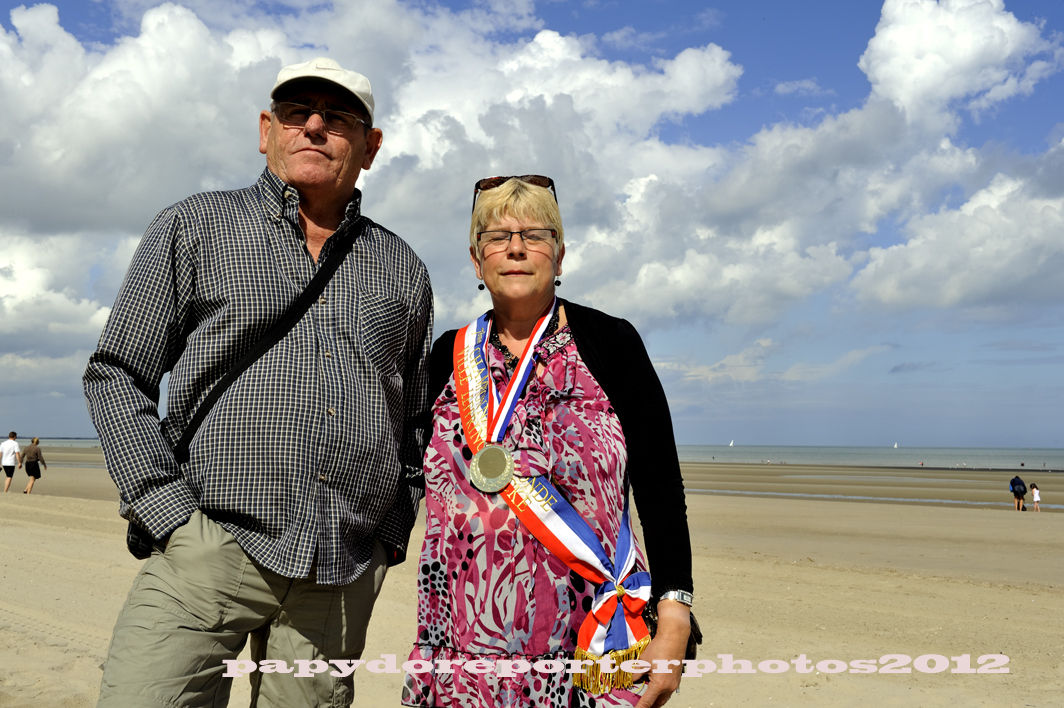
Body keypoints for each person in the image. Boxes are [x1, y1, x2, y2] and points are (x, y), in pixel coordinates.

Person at [83, 57, 433, 707]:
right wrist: (170, 517)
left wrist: (388, 535)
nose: (316, 126)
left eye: (339, 118)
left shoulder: (403, 269)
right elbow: (116, 374)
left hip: (339, 571)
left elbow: (414, 422)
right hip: (209, 548)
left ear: (371, 147)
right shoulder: (194, 227)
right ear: (266, 129)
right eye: (297, 112)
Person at [401, 176, 693, 708]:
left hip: (592, 640)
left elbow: (660, 485)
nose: (516, 247)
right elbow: (404, 469)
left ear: (560, 256)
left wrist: (675, 610)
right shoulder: (448, 353)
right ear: (476, 260)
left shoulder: (611, 343)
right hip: (463, 647)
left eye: (536, 234)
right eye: (497, 236)